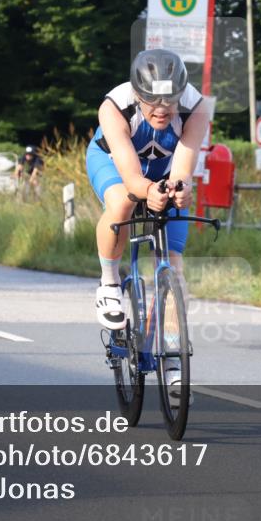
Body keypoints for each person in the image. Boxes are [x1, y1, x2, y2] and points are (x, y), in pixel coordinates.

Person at [85, 49, 211, 398]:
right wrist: (146, 191)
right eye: (152, 101)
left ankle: (171, 359)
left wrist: (180, 190)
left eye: (169, 101)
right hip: (113, 165)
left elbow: (183, 168)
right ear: (136, 94)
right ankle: (109, 285)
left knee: (175, 271)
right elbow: (130, 175)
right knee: (121, 202)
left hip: (163, 171)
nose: (161, 109)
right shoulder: (114, 107)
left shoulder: (197, 107)